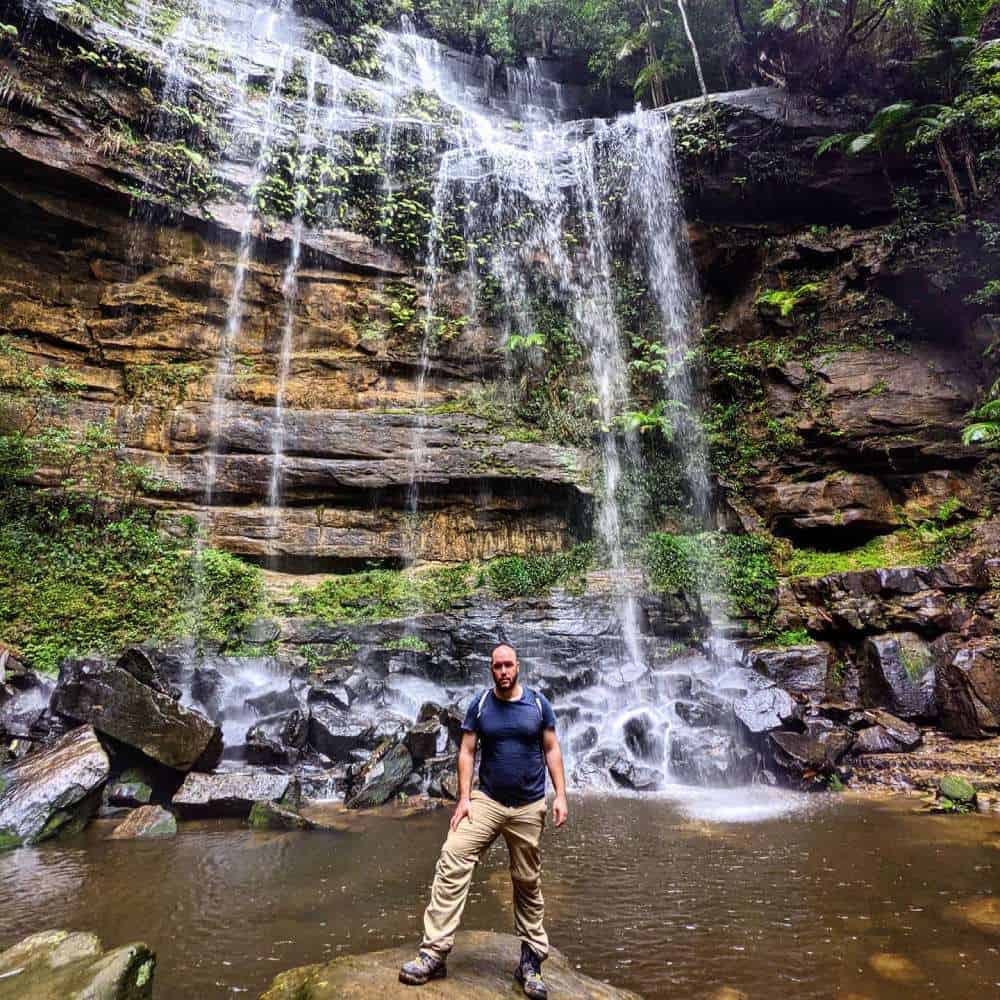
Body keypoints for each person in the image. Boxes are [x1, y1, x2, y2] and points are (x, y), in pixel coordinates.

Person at [399, 642, 568, 999]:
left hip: (528, 806)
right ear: (490, 669)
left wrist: (561, 796)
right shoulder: (480, 704)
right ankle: (434, 952)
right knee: (453, 856)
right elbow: (467, 750)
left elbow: (551, 748)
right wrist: (463, 798)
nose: (503, 672)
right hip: (487, 801)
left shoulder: (538, 704)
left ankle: (531, 960)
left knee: (527, 881)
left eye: (508, 665)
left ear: (518, 666)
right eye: (497, 667)